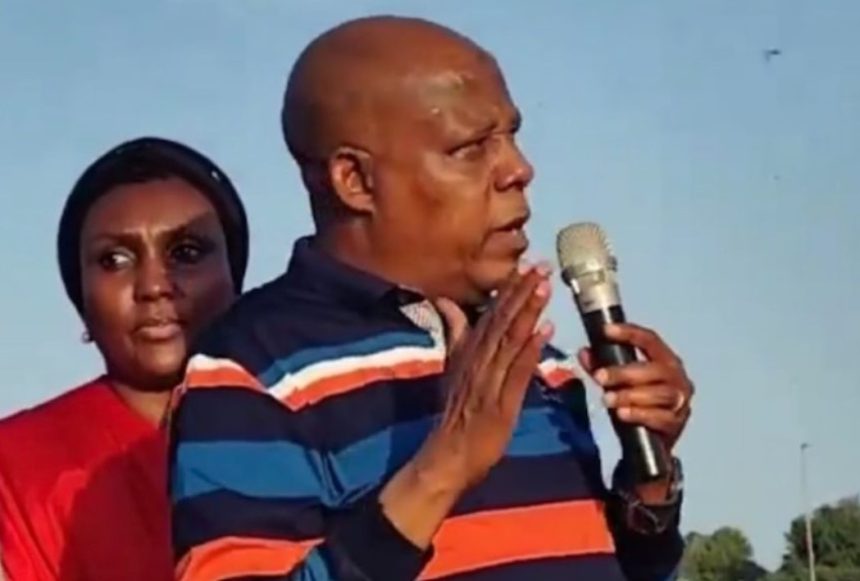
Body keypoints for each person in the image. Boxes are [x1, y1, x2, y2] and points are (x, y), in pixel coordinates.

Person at [170, 16, 694, 581]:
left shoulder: (534, 362)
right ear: (355, 181)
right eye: (471, 148)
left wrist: (650, 484)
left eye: (513, 136)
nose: (520, 169)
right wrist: (442, 467)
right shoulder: (252, 371)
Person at [0, 137, 249, 581]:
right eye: (114, 259)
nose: (155, 285)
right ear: (80, 299)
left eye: (187, 253)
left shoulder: (322, 423)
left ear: (236, 276)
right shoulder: (14, 467)